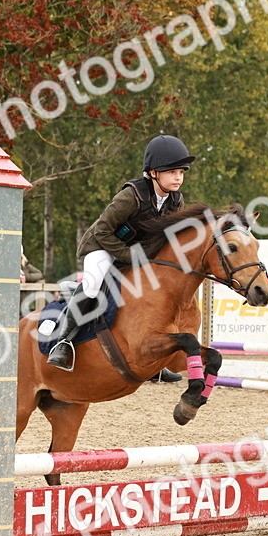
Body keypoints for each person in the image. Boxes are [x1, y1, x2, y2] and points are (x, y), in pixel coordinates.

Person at [46, 135, 195, 373]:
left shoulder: (175, 200)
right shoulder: (132, 195)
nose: (178, 177)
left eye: (181, 172)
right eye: (172, 172)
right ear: (154, 173)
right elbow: (104, 230)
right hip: (101, 246)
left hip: (134, 251)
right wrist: (131, 256)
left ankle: (156, 354)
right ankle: (62, 342)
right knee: (94, 283)